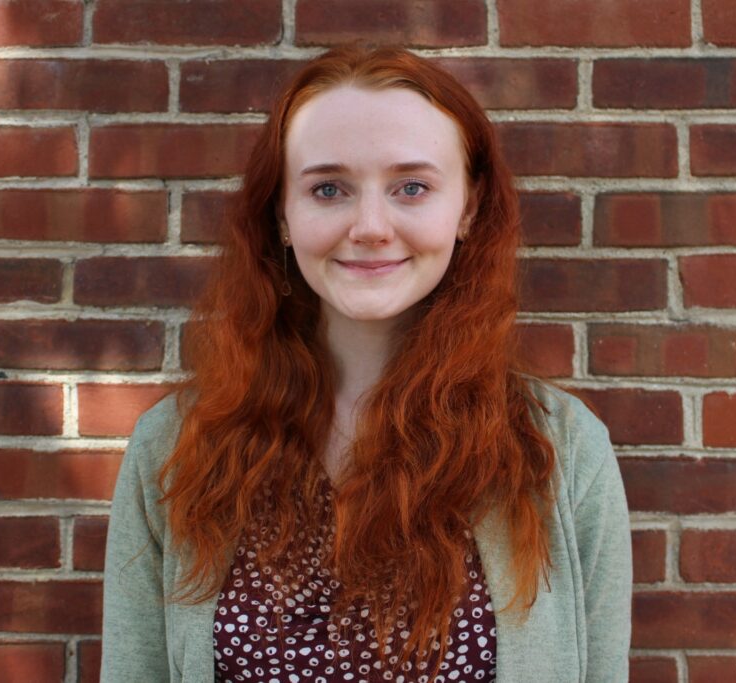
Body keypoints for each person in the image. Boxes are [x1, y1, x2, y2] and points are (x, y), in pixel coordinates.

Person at [101, 46, 631, 683]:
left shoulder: (560, 451)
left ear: (466, 207)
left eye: (412, 187)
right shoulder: (175, 452)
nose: (371, 225)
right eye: (329, 188)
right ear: (282, 215)